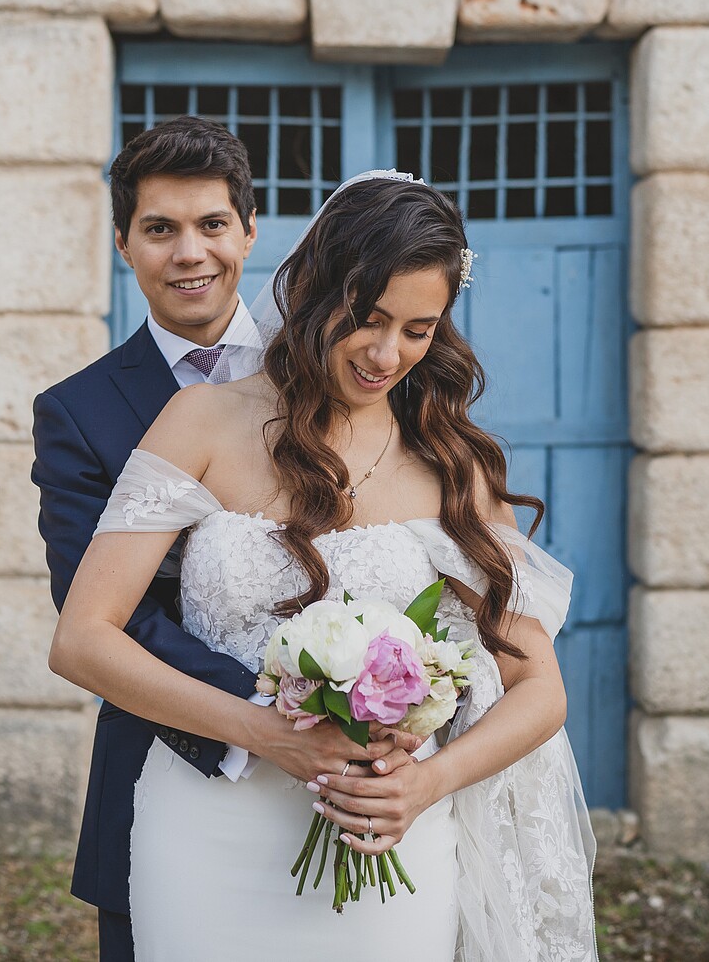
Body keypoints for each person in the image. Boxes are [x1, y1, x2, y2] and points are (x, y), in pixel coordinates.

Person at [50, 170, 599, 961]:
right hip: (209, 831)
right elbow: (83, 639)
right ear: (313, 290)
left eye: (418, 330)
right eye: (367, 320)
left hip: (394, 838)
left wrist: (427, 784)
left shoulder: (454, 464)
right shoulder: (201, 420)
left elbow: (538, 689)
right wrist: (263, 732)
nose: (386, 354)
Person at [34, 121, 422, 962]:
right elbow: (103, 613)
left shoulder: (349, 359)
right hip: (173, 763)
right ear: (122, 245)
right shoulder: (78, 413)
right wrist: (284, 711)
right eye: (159, 229)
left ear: (250, 231)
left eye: (211, 224)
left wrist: (379, 706)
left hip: (363, 777)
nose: (188, 253)